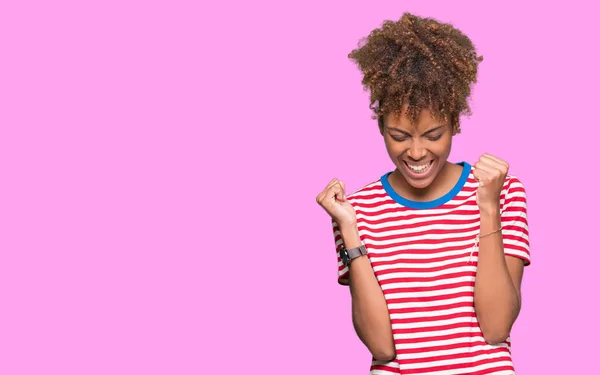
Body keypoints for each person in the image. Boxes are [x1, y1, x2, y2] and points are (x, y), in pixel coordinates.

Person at [315, 12, 530, 375]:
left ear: (456, 123)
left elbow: (496, 329)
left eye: (433, 135)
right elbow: (382, 347)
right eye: (399, 136)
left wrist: (488, 209)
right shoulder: (355, 210)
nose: (416, 153)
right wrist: (350, 229)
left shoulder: (501, 190)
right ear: (381, 125)